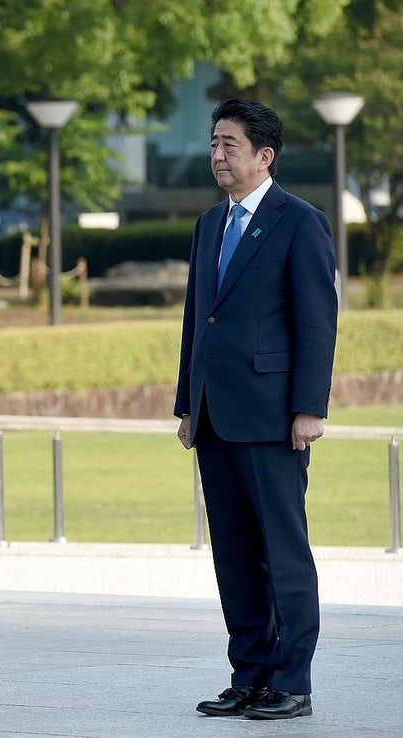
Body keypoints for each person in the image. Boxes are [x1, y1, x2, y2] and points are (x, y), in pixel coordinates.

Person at [174, 98, 338, 720]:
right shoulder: (209, 224)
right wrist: (187, 404)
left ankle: (292, 682)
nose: (218, 155)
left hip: (274, 418)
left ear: (265, 156)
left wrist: (308, 408)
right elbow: (197, 322)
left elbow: (316, 324)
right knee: (235, 555)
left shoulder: (301, 222)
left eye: (230, 145)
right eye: (214, 143)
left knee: (282, 553)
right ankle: (250, 676)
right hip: (214, 417)